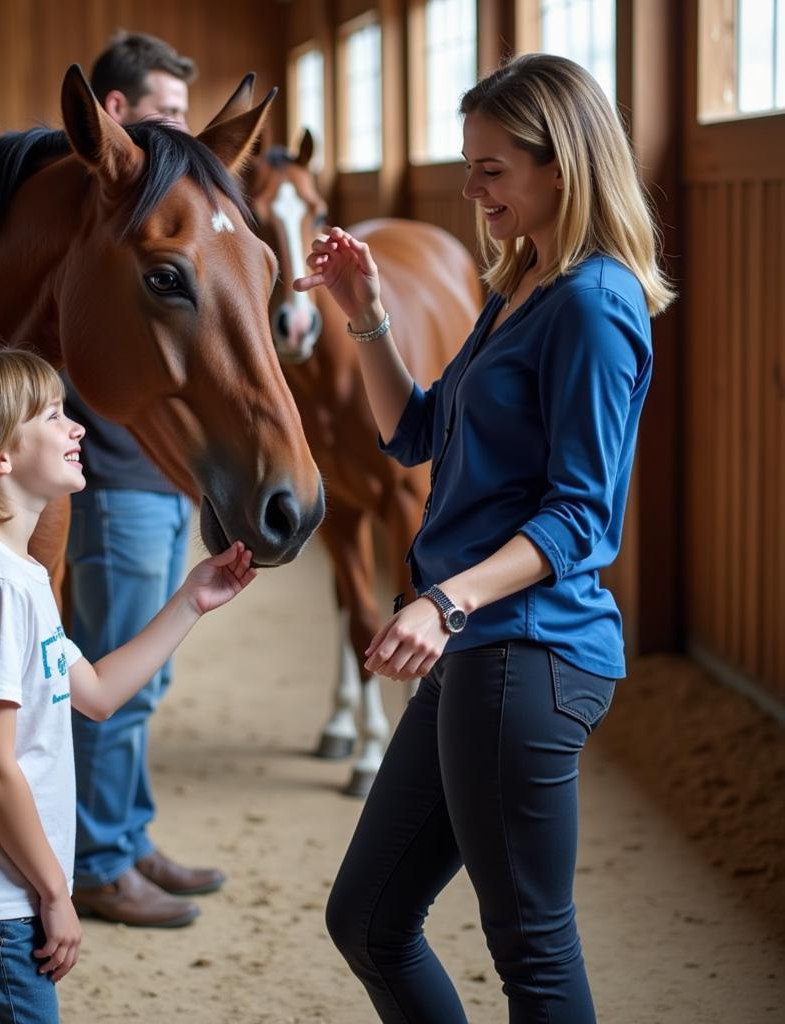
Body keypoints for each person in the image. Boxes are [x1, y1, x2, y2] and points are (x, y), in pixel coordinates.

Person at [294, 54, 674, 1024]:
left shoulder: (593, 304)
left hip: (531, 650)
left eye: (490, 168)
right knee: (368, 917)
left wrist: (446, 595)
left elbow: (582, 517)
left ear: (562, 167)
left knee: (532, 953)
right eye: (467, 164)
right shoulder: (522, 283)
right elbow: (416, 430)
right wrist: (367, 317)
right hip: (481, 649)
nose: (470, 190)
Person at [0, 348, 255, 1023]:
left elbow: (94, 693)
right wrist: (57, 892)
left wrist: (191, 600)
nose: (78, 427)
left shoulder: (12, 573)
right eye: (54, 415)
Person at [62, 31, 218, 930]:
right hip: (116, 479)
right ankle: (97, 859)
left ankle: (128, 831)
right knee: (114, 675)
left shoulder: (164, 207)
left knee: (147, 677)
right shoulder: (98, 218)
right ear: (114, 113)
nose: (181, 131)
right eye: (164, 112)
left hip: (162, 476)